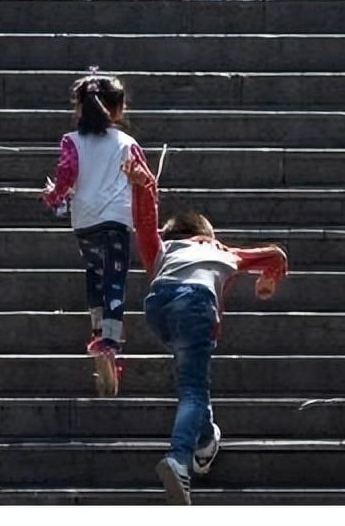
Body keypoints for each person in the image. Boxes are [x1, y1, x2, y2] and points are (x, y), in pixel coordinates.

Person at [123, 158, 288, 505]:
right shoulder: (222, 251)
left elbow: (144, 225)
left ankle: (204, 440)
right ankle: (179, 459)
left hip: (158, 306)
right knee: (193, 391)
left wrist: (144, 186)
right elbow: (275, 254)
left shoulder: (163, 249)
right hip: (195, 306)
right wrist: (268, 280)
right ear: (206, 234)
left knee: (193, 380)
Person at [41, 70, 160, 396]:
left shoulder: (71, 141)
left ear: (80, 107)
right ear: (118, 109)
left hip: (85, 222)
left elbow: (65, 178)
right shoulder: (127, 143)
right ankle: (109, 339)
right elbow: (148, 182)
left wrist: (52, 196)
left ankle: (98, 332)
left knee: (94, 276)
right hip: (116, 222)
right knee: (114, 280)